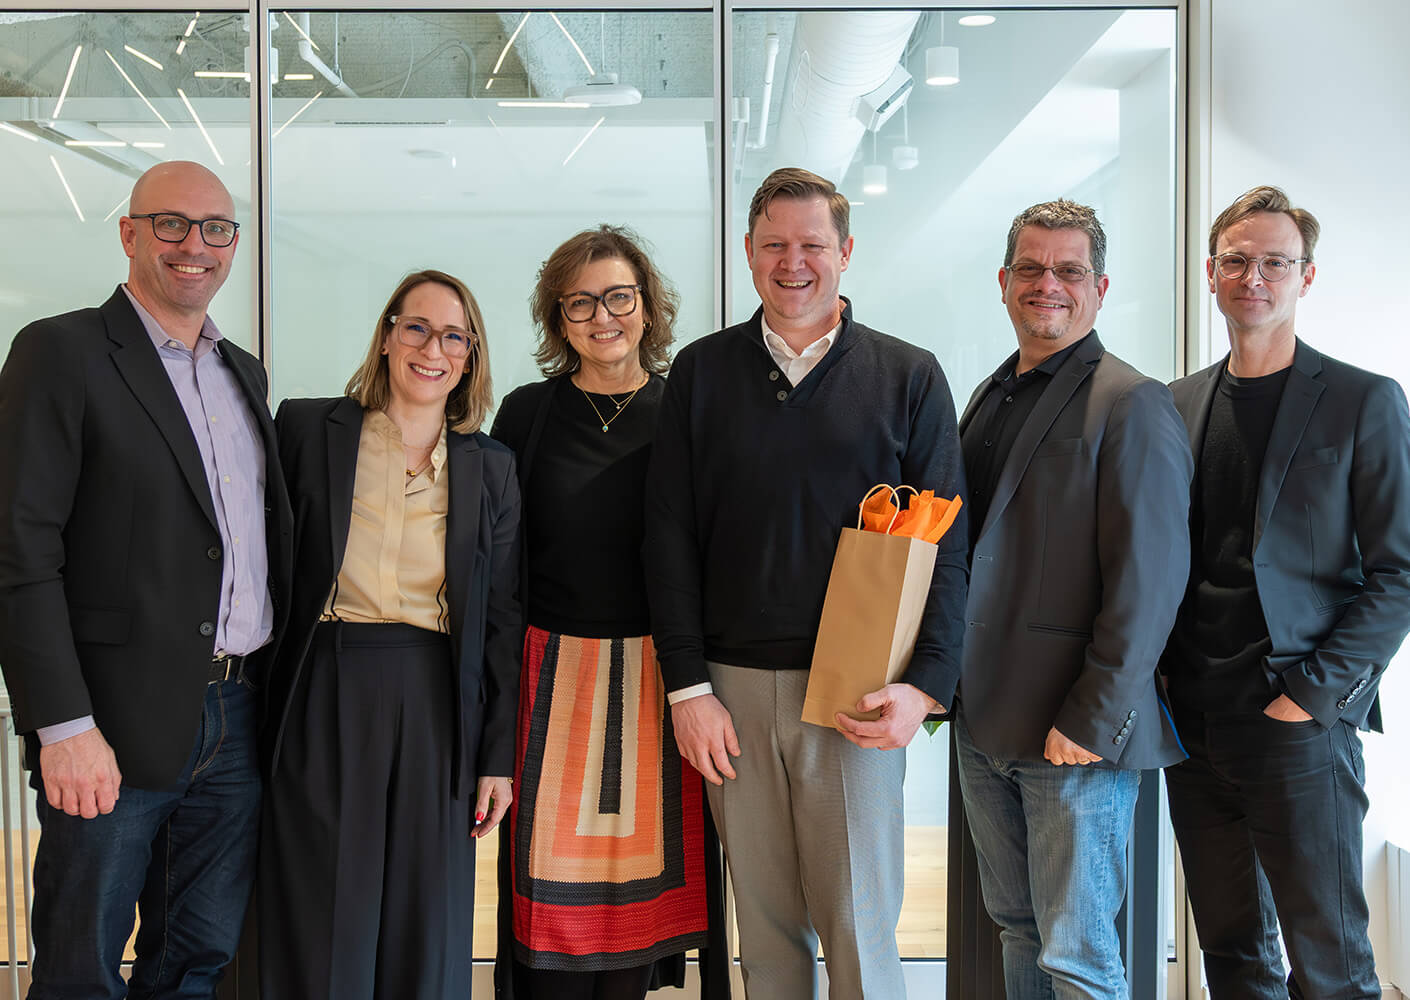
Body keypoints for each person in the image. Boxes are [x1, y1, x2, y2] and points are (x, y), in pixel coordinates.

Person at [644, 167, 969, 998]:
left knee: (860, 923)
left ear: (846, 252)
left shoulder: (910, 376)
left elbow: (948, 548)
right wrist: (688, 688)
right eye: (776, 245)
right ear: (748, 253)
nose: (795, 262)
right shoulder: (701, 372)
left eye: (813, 245)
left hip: (859, 695)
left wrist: (925, 687)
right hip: (730, 693)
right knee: (765, 925)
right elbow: (668, 537)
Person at [0, 160, 291, 998]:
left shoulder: (244, 373)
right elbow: (21, 551)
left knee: (196, 960)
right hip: (110, 726)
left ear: (233, 245)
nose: (193, 246)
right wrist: (62, 726)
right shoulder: (62, 352)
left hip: (236, 716)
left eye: (215, 229)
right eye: (170, 224)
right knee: (81, 968)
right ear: (129, 234)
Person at [1162, 186, 1410, 999]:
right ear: (1210, 273)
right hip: (1193, 726)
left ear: (1307, 276)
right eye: (1236, 260)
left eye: (1275, 261)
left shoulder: (1362, 400)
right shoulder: (1176, 404)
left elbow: (1399, 572)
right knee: (1230, 956)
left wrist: (1313, 697)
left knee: (1330, 964)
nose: (1254, 276)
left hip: (1296, 723)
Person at [257, 269, 520, 999]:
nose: (433, 348)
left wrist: (497, 756)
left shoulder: (491, 469)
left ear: (470, 357)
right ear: (387, 335)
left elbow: (501, 619)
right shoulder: (309, 430)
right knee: (322, 908)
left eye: (454, 336)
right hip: (327, 684)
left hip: (438, 700)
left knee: (425, 910)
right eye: (418, 328)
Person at [952, 199, 1191, 998]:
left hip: (1070, 735)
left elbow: (1150, 578)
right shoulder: (989, 396)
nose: (1046, 284)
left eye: (1068, 270)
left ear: (1099, 286)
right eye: (1031, 267)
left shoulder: (1131, 401)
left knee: (1078, 956)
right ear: (1004, 279)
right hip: (984, 723)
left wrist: (1093, 718)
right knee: (1020, 932)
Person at [490, 225, 726, 1000]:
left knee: (635, 918)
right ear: (558, 319)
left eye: (619, 296)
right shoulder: (527, 415)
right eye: (580, 302)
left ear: (647, 308)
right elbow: (498, 556)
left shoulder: (685, 411)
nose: (602, 316)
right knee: (543, 910)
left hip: (658, 681)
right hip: (548, 680)